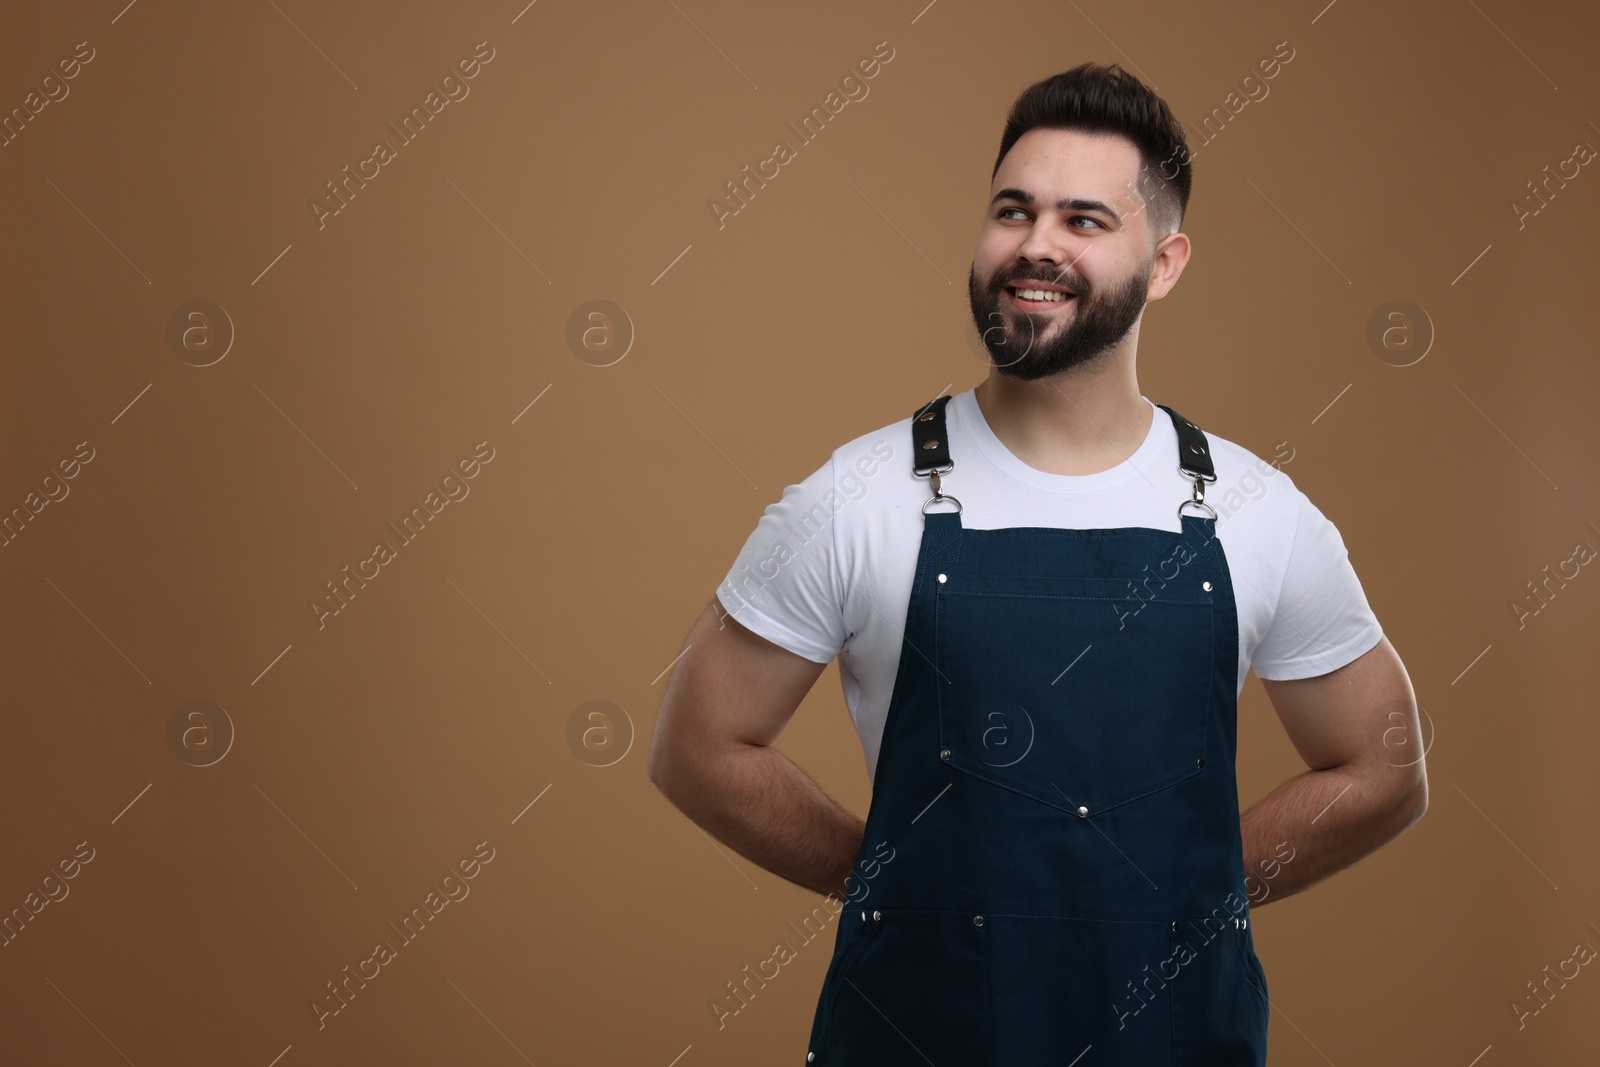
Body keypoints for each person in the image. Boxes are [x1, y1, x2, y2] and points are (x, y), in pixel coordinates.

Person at [647, 62, 1428, 1065]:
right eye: (1011, 212)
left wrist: (1193, 887)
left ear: (1166, 261)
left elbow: (1384, 765)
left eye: (1083, 221)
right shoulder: (856, 495)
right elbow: (696, 744)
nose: (1035, 246)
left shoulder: (1253, 511)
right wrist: (901, 871)